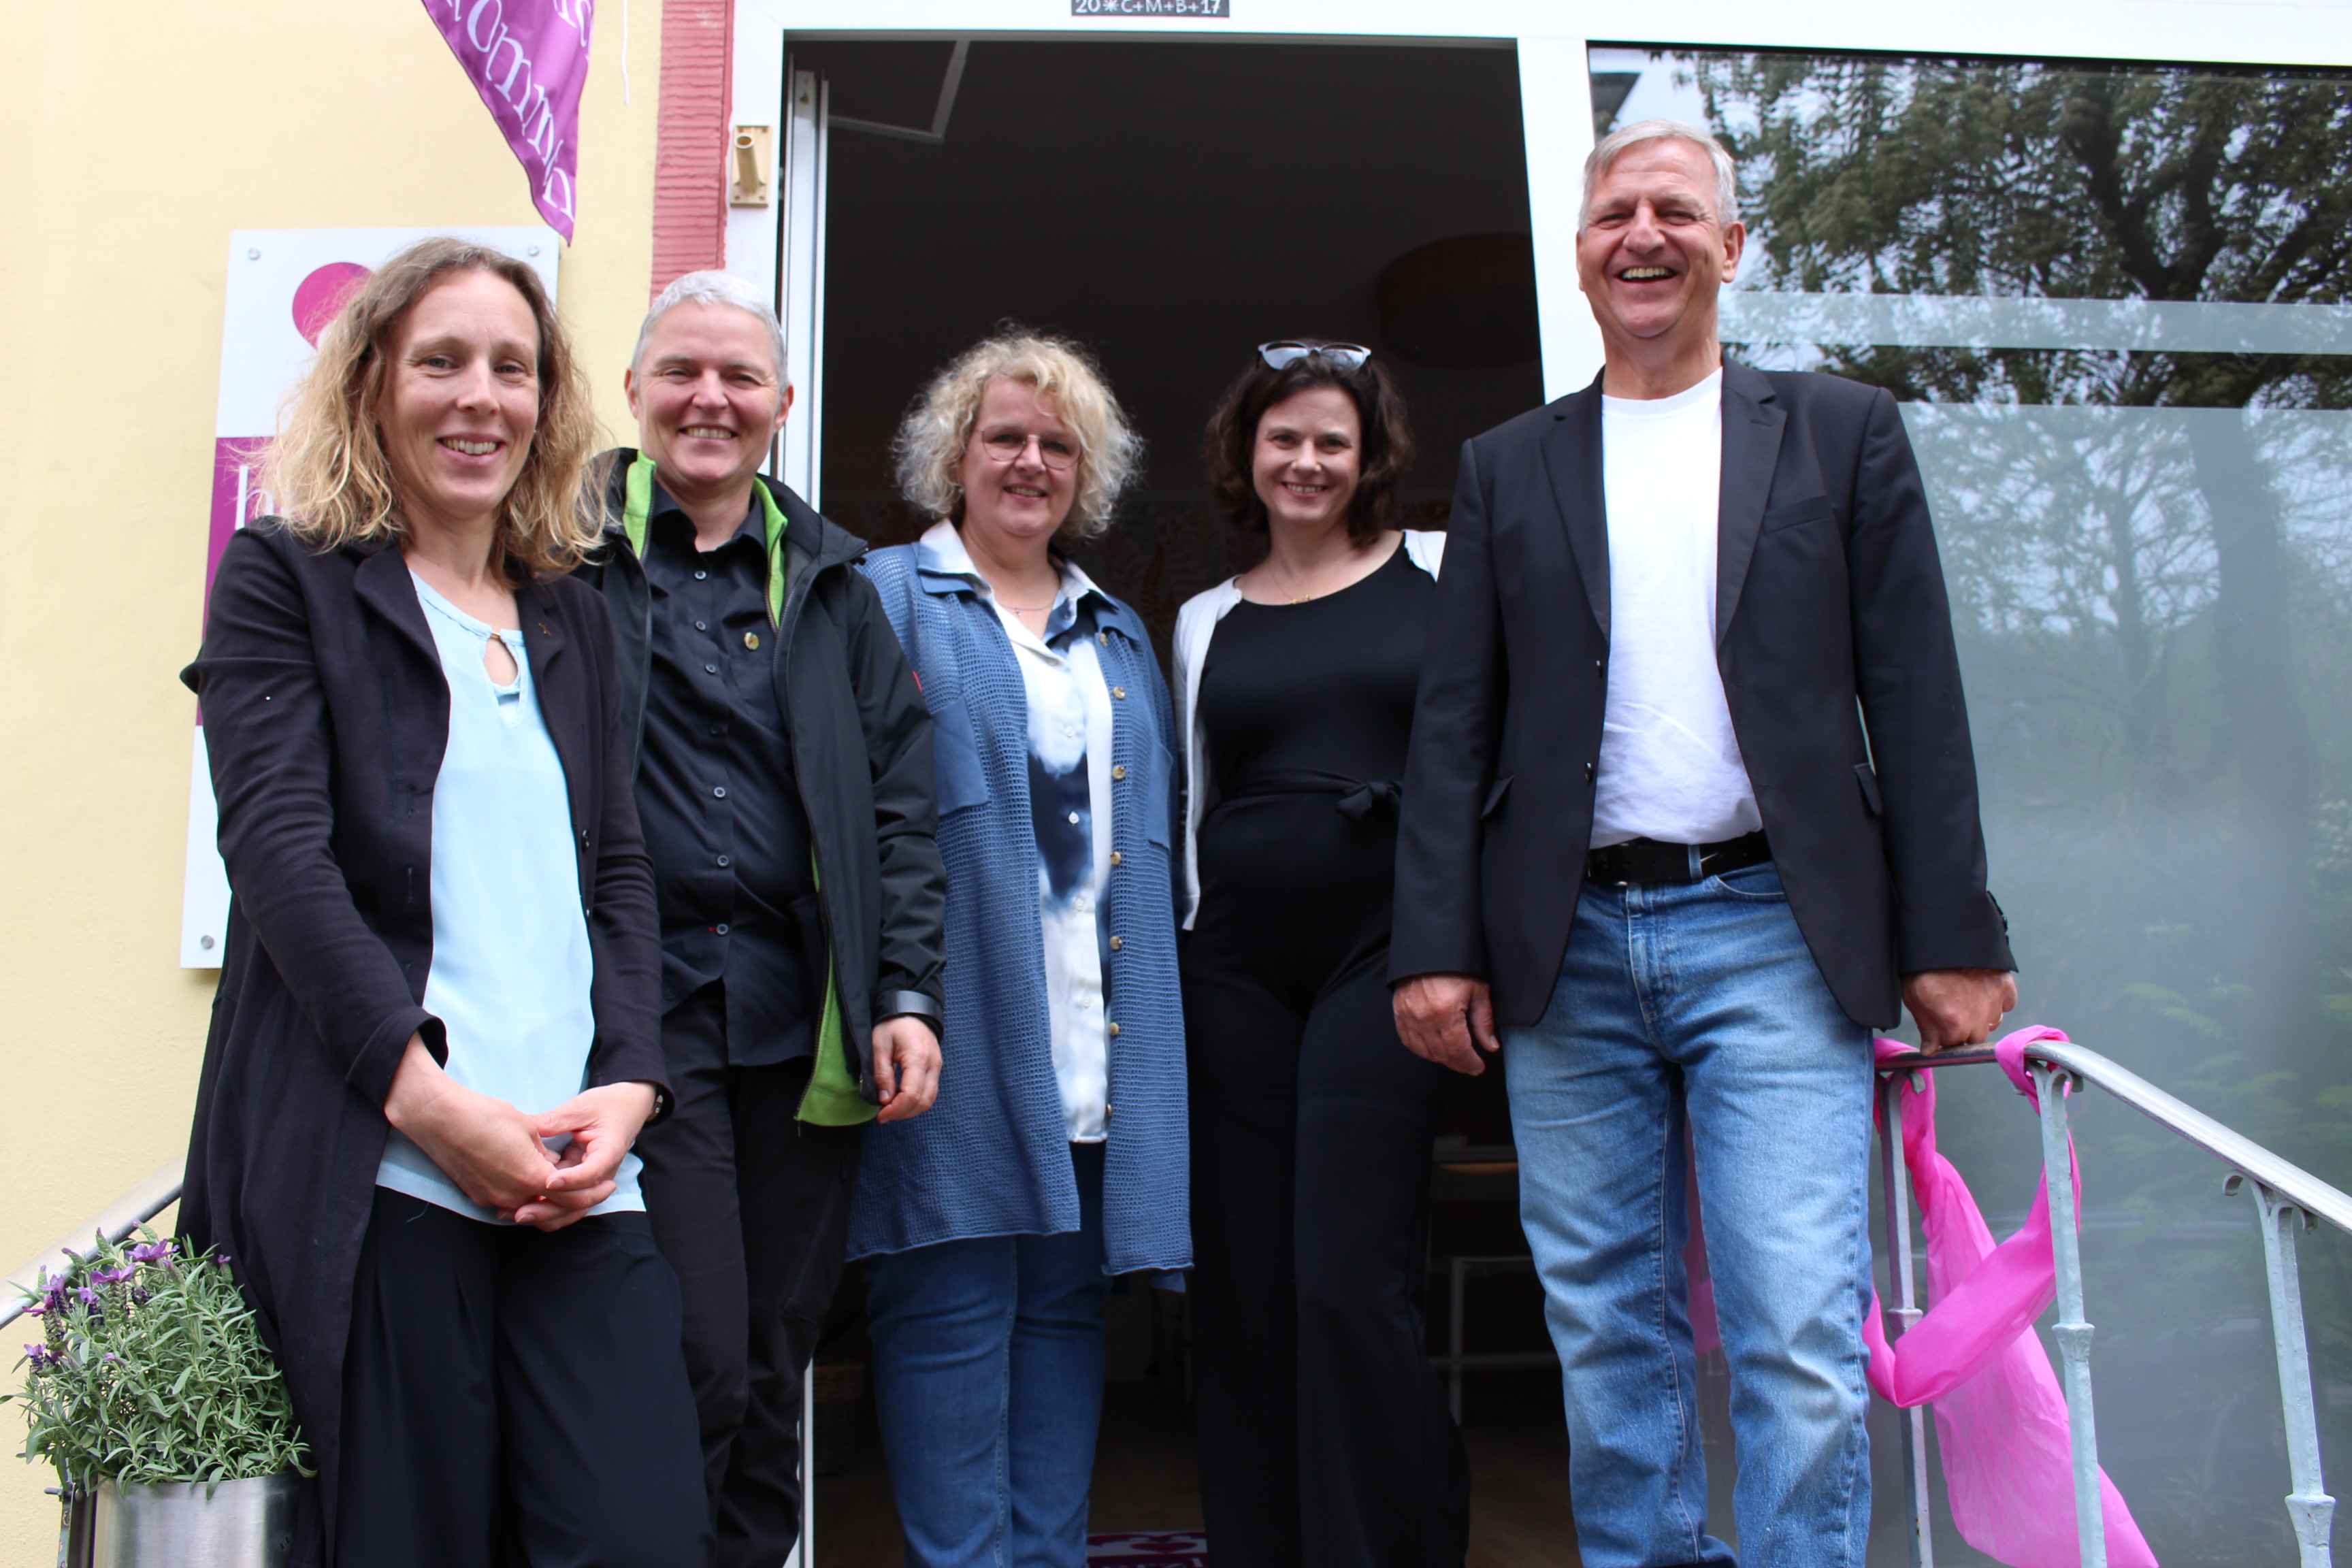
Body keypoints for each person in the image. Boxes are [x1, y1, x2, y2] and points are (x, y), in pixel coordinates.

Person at [1390, 119, 2019, 1568]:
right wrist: (1435, 947)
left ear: (1732, 250)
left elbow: (1913, 691)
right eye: (1616, 213)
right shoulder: (1506, 465)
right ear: (1582, 255)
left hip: (1775, 935)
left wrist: (1952, 934)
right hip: (1569, 948)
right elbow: (1456, 725)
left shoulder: (1842, 431)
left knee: (1796, 1322)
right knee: (1609, 1330)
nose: (1645, 235)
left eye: (1678, 211)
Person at [180, 237, 706, 1567]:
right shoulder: (285, 581)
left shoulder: (573, 613)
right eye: (442, 362)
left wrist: (634, 1082)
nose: (481, 397)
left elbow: (619, 872)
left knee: (638, 1537)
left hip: (586, 1178)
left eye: (513, 369)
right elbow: (282, 860)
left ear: (546, 405)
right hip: (392, 1168)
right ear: (370, 388)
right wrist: (433, 1106)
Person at [579, 270, 946, 1568]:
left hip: (801, 1025)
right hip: (639, 1013)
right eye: (682, 370)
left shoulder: (838, 587)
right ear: (634, 394)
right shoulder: (570, 558)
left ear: (783, 406)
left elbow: (905, 807)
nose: (710, 399)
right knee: (697, 1355)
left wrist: (903, 992)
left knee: (775, 1355)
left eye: (740, 378)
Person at [853, 329, 1188, 1568]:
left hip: (1092, 1043)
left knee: (1060, 1323)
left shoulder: (1118, 633)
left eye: (1058, 445)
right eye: (1006, 436)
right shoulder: (887, 595)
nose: (1030, 461)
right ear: (956, 453)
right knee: (945, 1320)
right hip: (951, 1032)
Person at [1175, 340, 1469, 1567]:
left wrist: (1458, 945)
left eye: (1331, 441)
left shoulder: (1444, 577)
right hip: (1234, 967)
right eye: (1284, 437)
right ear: (1249, 453)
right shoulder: (1204, 619)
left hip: (1386, 958)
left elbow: (1476, 766)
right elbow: (1188, 810)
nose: (1306, 460)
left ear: (1370, 459)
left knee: (1346, 1283)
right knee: (1245, 1292)